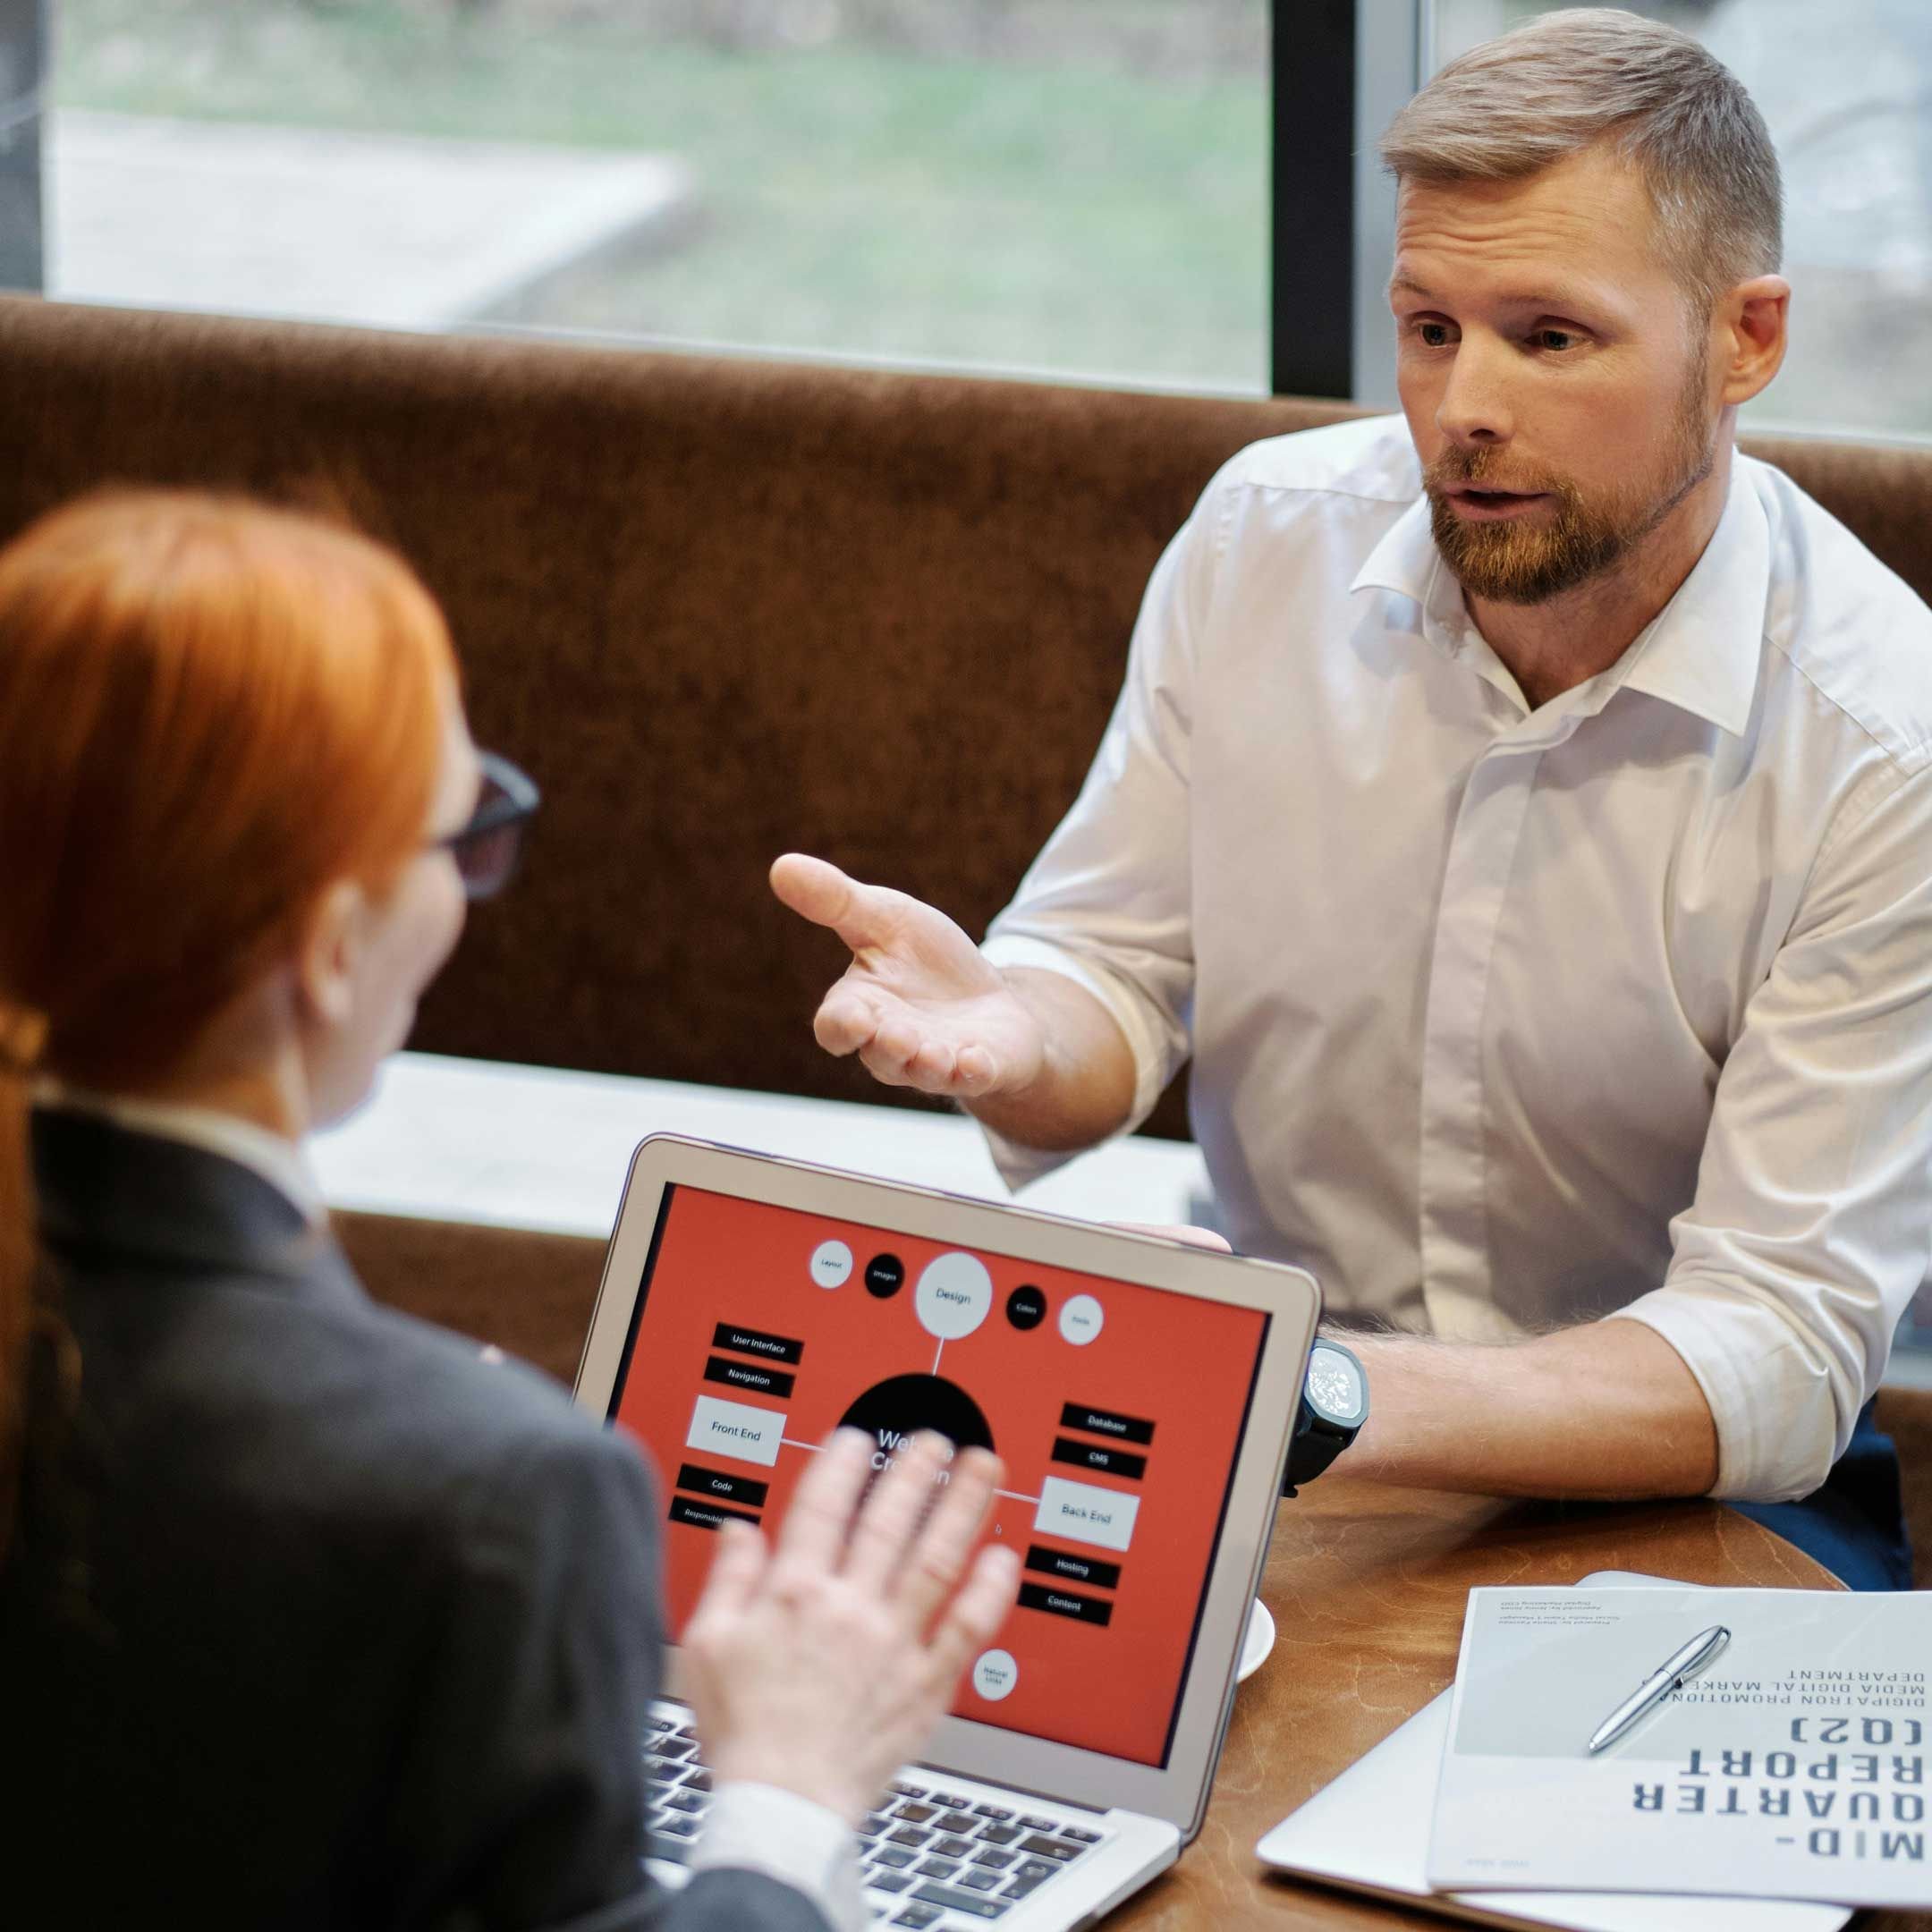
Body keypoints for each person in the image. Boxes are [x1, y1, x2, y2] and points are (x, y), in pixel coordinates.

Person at [771, 7, 1932, 1590]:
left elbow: (1778, 1353)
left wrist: (1301, 1388)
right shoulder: (1264, 542)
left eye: (1551, 335)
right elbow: (1111, 983)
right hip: (1268, 1420)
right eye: (1429, 325)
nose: (1464, 407)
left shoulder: (1887, 739)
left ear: (1748, 339)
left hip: (1681, 1483)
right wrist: (1016, 1035)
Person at [0, 489, 1021, 1929]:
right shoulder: (493, 1501)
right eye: (461, 833)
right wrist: (788, 1798)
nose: (477, 881)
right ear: (334, 953)